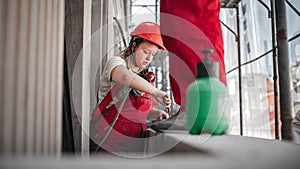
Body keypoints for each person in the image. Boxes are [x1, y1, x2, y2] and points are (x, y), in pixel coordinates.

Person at [90, 22, 171, 154]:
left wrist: (153, 113)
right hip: (108, 143)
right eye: (145, 52)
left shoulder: (145, 79)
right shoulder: (116, 63)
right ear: (134, 46)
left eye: (153, 54)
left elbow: (135, 112)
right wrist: (156, 92)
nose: (149, 58)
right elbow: (127, 78)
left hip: (134, 147)